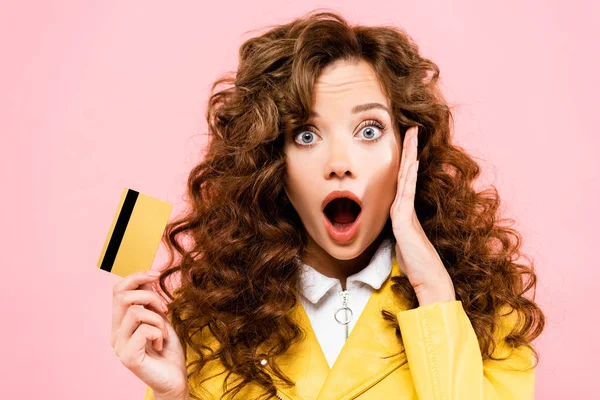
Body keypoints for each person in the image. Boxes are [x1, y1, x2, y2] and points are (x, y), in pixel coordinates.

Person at [110, 10, 545, 400]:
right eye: (306, 135)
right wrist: (174, 397)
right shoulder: (208, 325)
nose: (339, 165)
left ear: (409, 149)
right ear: (272, 162)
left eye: (369, 130)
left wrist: (435, 297)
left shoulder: (487, 315)